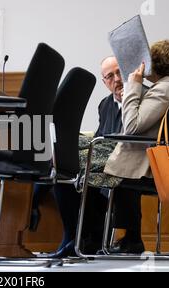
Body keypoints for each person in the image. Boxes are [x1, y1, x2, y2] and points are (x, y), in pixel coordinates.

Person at [30, 56, 141, 257]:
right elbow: (100, 136)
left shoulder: (141, 98)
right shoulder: (105, 104)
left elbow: (135, 137)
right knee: (62, 164)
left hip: (129, 163)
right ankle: (80, 237)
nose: (116, 79)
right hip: (102, 163)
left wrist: (129, 101)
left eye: (119, 73)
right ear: (105, 82)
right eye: (110, 76)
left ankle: (34, 202)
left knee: (65, 165)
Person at [104, 40, 169, 253]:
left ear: (157, 64)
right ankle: (122, 239)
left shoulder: (163, 91)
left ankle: (84, 238)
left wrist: (133, 85)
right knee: (88, 159)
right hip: (153, 163)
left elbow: (131, 127)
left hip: (147, 168)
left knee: (75, 164)